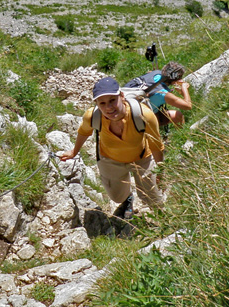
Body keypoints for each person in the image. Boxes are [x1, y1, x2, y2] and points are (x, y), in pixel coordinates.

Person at [58, 77, 165, 219]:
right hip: (110, 160)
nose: (108, 107)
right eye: (102, 103)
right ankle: (127, 199)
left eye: (112, 100)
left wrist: (160, 171)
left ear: (121, 96)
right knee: (117, 197)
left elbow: (156, 145)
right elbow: (84, 132)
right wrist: (74, 151)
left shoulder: (143, 114)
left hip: (142, 158)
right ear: (96, 104)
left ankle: (164, 222)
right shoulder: (93, 116)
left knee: (152, 197)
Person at [127, 61, 193, 127]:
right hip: (136, 120)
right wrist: (184, 88)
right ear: (176, 80)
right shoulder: (163, 93)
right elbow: (188, 106)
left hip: (127, 106)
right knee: (178, 116)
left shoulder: (155, 73)